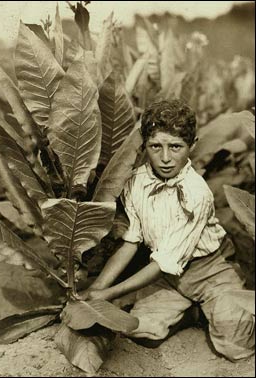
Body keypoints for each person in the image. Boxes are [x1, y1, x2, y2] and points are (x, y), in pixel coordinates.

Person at [79, 99, 255, 361]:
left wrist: (106, 294)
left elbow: (164, 262)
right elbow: (131, 242)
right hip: (170, 277)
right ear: (145, 144)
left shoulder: (196, 193)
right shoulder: (135, 181)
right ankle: (193, 312)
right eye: (155, 146)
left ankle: (216, 303)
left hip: (211, 270)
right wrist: (97, 287)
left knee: (235, 345)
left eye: (175, 147)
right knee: (139, 329)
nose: (164, 158)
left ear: (192, 145)